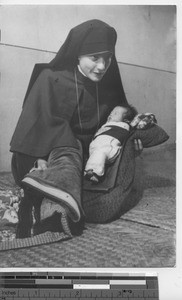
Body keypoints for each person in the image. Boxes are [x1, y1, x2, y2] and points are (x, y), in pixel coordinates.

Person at [10, 19, 143, 238]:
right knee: (67, 161)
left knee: (112, 192)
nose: (102, 66)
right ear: (78, 54)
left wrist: (130, 139)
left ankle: (60, 201)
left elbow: (117, 124)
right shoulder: (50, 79)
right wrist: (39, 159)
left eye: (108, 58)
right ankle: (51, 211)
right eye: (94, 57)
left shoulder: (108, 88)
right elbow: (31, 130)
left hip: (89, 158)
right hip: (49, 155)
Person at [84, 104, 138, 182]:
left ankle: (94, 173)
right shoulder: (107, 124)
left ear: (126, 120)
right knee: (96, 155)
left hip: (108, 148)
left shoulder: (124, 125)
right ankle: (91, 169)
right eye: (111, 112)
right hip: (97, 146)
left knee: (100, 153)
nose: (111, 114)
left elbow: (133, 126)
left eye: (115, 113)